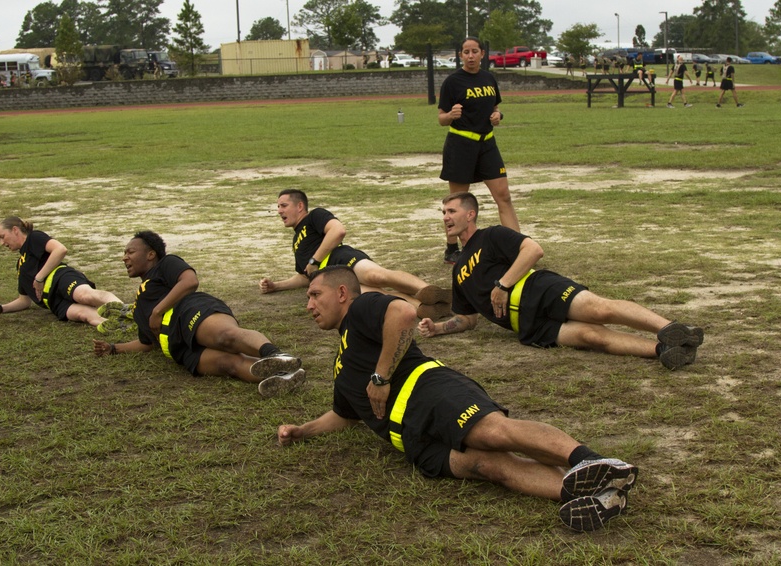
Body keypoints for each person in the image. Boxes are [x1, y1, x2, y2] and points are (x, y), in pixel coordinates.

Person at [277, 266, 640, 532]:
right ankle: (602, 496)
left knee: (492, 433)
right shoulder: (341, 359)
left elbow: (402, 312)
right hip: (413, 440)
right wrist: (302, 431)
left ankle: (594, 461)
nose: (308, 304)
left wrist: (381, 376)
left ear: (342, 293)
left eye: (314, 294)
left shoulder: (361, 308)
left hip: (430, 392)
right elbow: (345, 414)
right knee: (490, 466)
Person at [418, 193, 704, 369]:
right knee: (590, 337)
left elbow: (533, 250)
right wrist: (438, 328)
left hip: (539, 289)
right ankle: (665, 350)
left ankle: (671, 329)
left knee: (599, 310)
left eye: (451, 211)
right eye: (443, 213)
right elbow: (467, 319)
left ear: (471, 214)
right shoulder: (457, 271)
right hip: (527, 326)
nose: (446, 217)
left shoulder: (491, 235)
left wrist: (503, 285)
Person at [94, 230, 305, 397]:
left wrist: (158, 311)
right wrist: (114, 349)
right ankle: (284, 377)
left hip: (189, 311)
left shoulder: (165, 264)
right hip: (179, 347)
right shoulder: (140, 304)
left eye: (130, 252)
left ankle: (276, 355)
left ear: (150, 254)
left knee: (226, 337)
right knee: (228, 364)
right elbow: (147, 343)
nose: (124, 258)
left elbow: (190, 281)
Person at [258, 189, 452, 320]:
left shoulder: (314, 216)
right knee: (376, 295)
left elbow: (338, 230)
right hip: (333, 280)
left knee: (376, 276)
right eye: (278, 207)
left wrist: (314, 260)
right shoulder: (296, 242)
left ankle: (430, 291)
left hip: (341, 258)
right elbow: (304, 275)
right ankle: (425, 308)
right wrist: (277, 286)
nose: (279, 211)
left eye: (283, 205)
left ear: (299, 206)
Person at [437, 37, 520, 265]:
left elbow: (495, 107)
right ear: (461, 55)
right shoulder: (453, 82)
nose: (471, 55)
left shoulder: (489, 78)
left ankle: (518, 246)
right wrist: (450, 116)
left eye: (475, 51)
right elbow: (441, 118)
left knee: (504, 196)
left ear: (482, 54)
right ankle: (454, 248)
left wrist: (498, 116)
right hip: (461, 146)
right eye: (466, 52)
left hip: (487, 144)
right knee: (457, 204)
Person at [0, 217, 127, 331]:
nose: (2, 243)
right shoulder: (20, 265)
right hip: (53, 302)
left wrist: (39, 278)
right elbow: (24, 301)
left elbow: (60, 249)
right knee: (84, 315)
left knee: (85, 296)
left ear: (15, 230)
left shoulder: (34, 238)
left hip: (60, 278)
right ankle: (123, 326)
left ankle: (128, 312)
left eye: (2, 236)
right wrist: (0, 308)